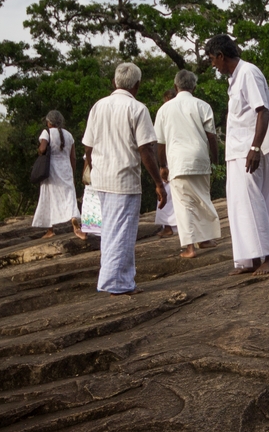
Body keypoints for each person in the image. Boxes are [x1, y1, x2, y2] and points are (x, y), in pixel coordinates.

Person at [82, 62, 167, 295]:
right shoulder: (137, 109)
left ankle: (114, 279)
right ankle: (117, 283)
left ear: (114, 82)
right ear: (137, 85)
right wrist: (158, 183)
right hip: (124, 180)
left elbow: (88, 147)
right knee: (122, 233)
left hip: (101, 178)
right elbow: (146, 150)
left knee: (110, 231)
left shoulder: (98, 106)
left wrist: (94, 166)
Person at [205, 34, 269, 275]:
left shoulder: (248, 73)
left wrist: (255, 148)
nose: (213, 65)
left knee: (252, 203)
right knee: (239, 206)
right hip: (238, 151)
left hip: (250, 151)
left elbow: (263, 111)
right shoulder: (236, 79)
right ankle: (250, 260)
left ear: (221, 56)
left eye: (212, 60)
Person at [155, 69, 222, 259]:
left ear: (176, 86)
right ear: (194, 86)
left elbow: (160, 142)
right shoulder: (202, 105)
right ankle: (206, 238)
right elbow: (211, 137)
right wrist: (215, 161)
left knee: (183, 204)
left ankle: (190, 247)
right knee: (203, 198)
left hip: (177, 160)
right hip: (200, 158)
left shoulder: (164, 109)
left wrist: (162, 165)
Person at [31, 110, 85, 239]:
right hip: (65, 168)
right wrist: (72, 173)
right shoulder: (69, 135)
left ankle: (50, 230)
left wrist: (39, 150)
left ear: (49, 122)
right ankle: (74, 222)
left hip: (51, 169)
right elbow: (73, 157)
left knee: (49, 196)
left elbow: (43, 148)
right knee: (69, 196)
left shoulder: (47, 132)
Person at [154, 88, 179, 239]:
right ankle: (168, 225)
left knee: (170, 191)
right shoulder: (166, 112)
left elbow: (159, 141)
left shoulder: (167, 112)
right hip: (170, 155)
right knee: (167, 191)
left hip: (173, 155)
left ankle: (171, 226)